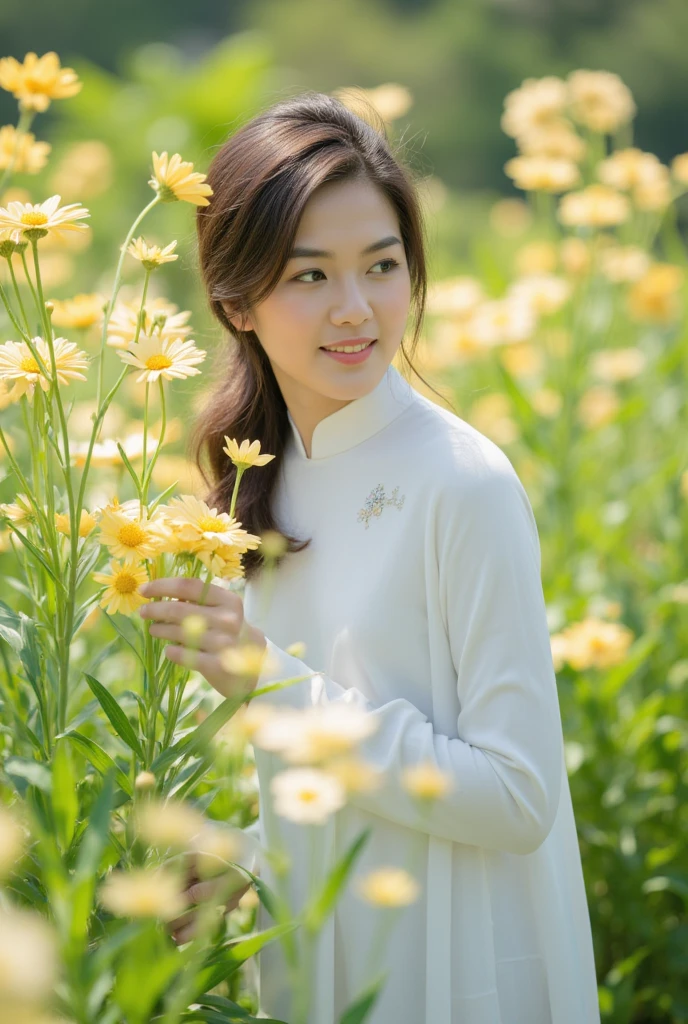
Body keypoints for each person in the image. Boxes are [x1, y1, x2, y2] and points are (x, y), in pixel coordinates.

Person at [141, 91, 601, 1024]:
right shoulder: (264, 480)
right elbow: (347, 763)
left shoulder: (462, 484)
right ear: (236, 299)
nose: (356, 310)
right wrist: (244, 859)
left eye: (380, 266)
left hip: (456, 973)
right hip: (324, 962)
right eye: (309, 276)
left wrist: (267, 683)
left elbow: (518, 798)